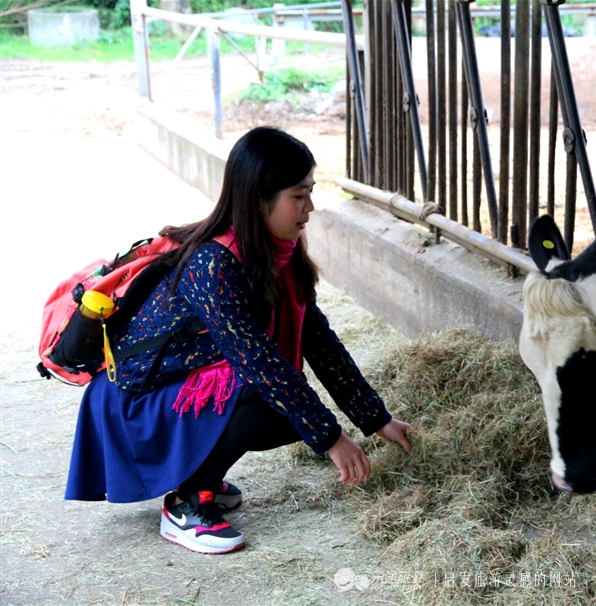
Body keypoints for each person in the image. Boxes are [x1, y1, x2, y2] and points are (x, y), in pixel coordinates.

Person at [64, 127, 412, 555]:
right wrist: (330, 438)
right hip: (135, 400)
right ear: (258, 199)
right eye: (297, 196)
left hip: (179, 388)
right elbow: (260, 364)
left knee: (293, 409)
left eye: (310, 192)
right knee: (272, 395)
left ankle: (198, 468)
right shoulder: (214, 262)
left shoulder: (277, 252)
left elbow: (318, 340)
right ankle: (189, 500)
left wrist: (375, 418)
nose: (309, 208)